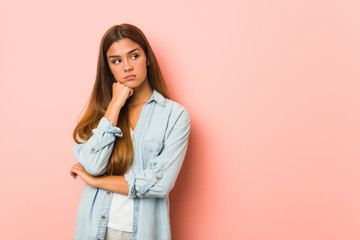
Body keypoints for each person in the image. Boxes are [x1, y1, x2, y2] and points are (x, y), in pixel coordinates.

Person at [69, 23, 191, 240]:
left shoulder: (174, 116)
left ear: (148, 58)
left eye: (133, 56)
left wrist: (96, 182)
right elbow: (94, 165)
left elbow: (160, 184)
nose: (126, 67)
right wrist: (115, 106)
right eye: (116, 61)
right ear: (109, 68)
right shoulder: (101, 115)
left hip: (142, 232)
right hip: (95, 229)